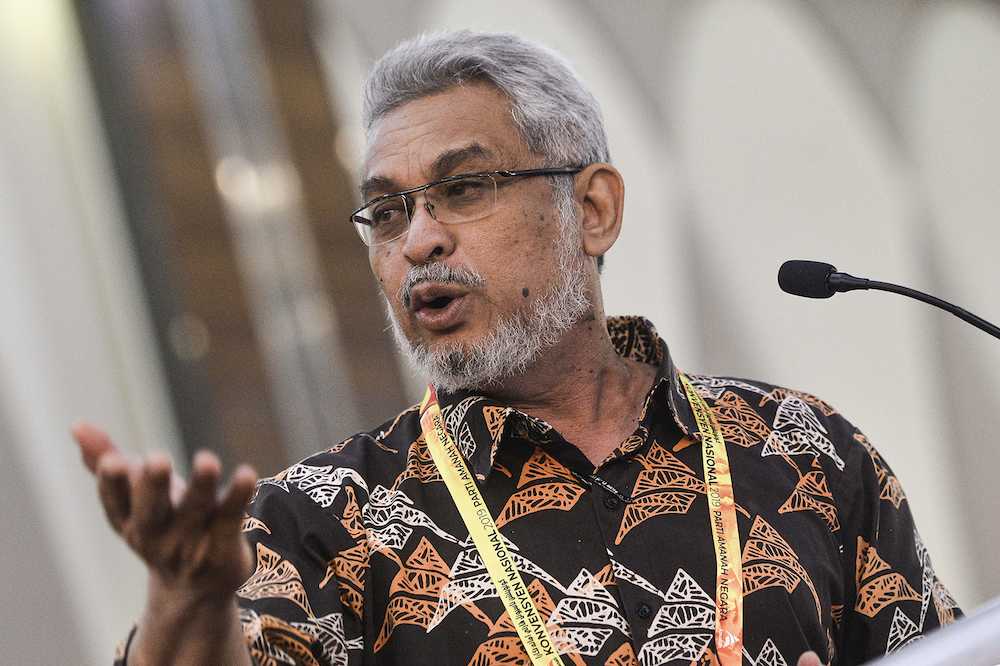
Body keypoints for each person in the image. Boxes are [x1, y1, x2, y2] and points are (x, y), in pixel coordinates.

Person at [74, 29, 959, 666]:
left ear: (594, 208)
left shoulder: (803, 450)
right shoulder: (318, 521)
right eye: (387, 212)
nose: (418, 240)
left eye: (463, 188)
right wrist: (187, 603)